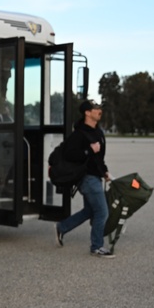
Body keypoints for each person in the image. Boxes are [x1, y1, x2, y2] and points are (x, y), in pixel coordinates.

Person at [54, 99, 114, 258]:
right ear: (87, 112)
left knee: (90, 210)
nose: (99, 110)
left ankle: (62, 227)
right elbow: (69, 155)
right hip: (86, 178)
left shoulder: (98, 132)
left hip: (96, 176)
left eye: (100, 107)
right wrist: (88, 150)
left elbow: (99, 158)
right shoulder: (79, 134)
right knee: (102, 212)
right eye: (96, 108)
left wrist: (105, 172)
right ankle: (97, 247)